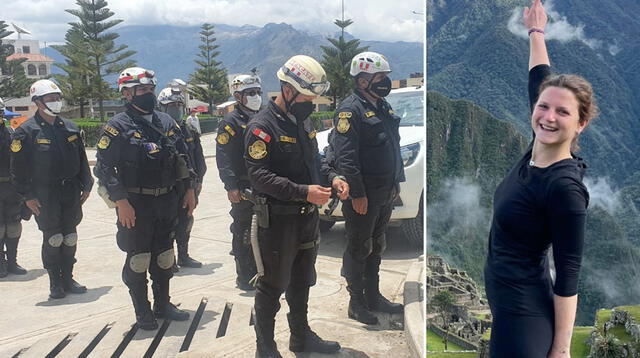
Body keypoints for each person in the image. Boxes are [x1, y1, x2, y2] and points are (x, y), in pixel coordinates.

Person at [483, 1, 597, 356]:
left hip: (523, 316)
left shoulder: (564, 189)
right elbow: (539, 79)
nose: (548, 117)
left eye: (563, 112)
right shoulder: (538, 150)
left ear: (580, 124)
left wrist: (561, 348)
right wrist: (536, 31)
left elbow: (568, 272)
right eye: (543, 107)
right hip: (506, 306)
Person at [245, 55, 348, 357]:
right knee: (272, 285)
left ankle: (301, 337)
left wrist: (335, 177)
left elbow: (314, 163)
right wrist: (303, 192)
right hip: (277, 221)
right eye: (307, 97)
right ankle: (264, 347)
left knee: (302, 281)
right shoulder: (262, 127)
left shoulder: (303, 122)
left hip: (305, 220)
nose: (312, 103)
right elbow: (259, 176)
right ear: (288, 90)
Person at [94, 67, 196, 330]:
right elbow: (103, 168)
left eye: (150, 89)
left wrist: (189, 190)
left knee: (164, 257)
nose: (147, 94)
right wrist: (121, 202)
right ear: (127, 94)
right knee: (138, 260)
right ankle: (143, 311)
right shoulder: (117, 127)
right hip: (136, 205)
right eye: (141, 90)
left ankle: (164, 304)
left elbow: (184, 158)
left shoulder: (167, 122)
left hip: (167, 201)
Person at [325, 51, 405, 325]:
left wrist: (397, 182)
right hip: (365, 194)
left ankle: (373, 295)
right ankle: (356, 302)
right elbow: (347, 157)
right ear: (362, 81)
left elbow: (393, 146)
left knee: (377, 244)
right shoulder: (350, 110)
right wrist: (357, 193)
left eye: (385, 77)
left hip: (385, 191)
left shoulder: (382, 106)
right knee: (359, 246)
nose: (385, 83)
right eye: (379, 78)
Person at [10, 80, 93, 298]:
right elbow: (17, 169)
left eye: (57, 98)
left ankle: (68, 277)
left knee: (70, 236)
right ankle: (55, 282)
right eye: (50, 99)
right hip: (44, 195)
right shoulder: (25, 132)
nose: (56, 102)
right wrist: (27, 196)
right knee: (53, 237)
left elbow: (81, 159)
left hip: (71, 191)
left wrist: (87, 183)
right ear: (37, 102)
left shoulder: (70, 127)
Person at [216, 73, 262, 290]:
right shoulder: (231, 122)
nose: (255, 97)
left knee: (263, 231)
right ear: (238, 96)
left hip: (264, 184)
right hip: (243, 186)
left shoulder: (263, 116)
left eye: (257, 92)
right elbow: (223, 156)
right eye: (250, 93)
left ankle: (261, 271)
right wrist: (231, 186)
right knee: (244, 230)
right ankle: (244, 275)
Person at [158, 80, 207, 269]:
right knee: (169, 223)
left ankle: (184, 255)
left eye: (179, 105)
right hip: (170, 186)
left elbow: (198, 158)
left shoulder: (189, 130)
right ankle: (168, 260)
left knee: (186, 220)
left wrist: (199, 181)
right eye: (171, 106)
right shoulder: (159, 131)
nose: (176, 109)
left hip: (189, 186)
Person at [0, 97, 27, 278]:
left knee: (13, 225)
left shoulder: (11, 132)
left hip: (11, 187)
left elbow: (21, 160)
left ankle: (12, 261)